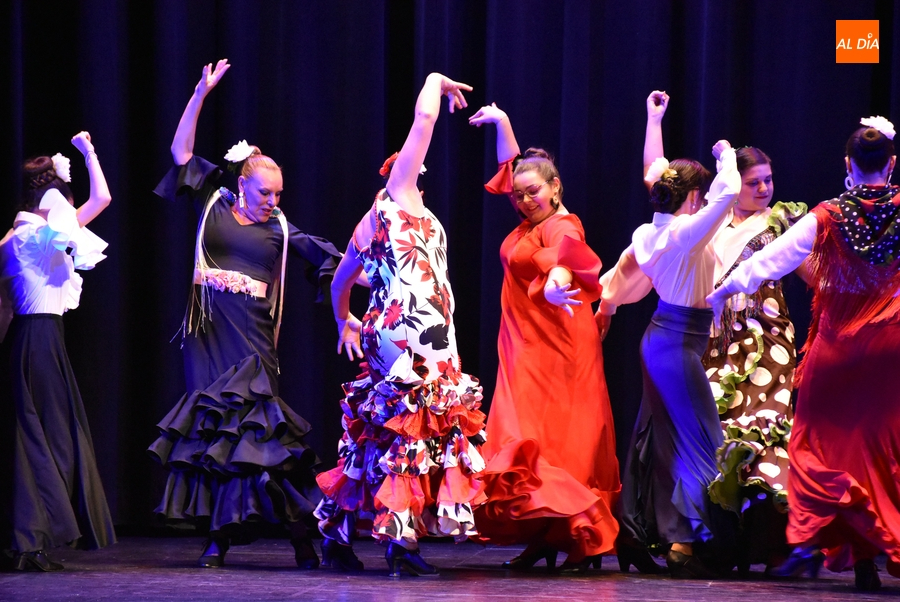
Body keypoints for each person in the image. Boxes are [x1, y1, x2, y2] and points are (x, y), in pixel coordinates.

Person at [147, 60, 341, 569]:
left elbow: (332, 260)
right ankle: (218, 535)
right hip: (207, 333)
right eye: (264, 194)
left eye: (279, 195)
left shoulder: (278, 228)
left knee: (256, 436)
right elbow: (180, 153)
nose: (272, 202)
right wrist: (200, 94)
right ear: (241, 185)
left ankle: (300, 532)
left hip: (252, 340)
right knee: (214, 434)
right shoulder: (212, 199)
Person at [708, 116, 900, 592]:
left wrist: (721, 292)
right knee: (887, 451)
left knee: (819, 445)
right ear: (891, 165)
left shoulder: (827, 215)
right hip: (890, 348)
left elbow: (767, 262)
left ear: (847, 166)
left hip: (837, 348)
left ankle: (853, 556)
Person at [314, 73, 486, 578]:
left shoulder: (375, 223)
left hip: (406, 328)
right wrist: (435, 80)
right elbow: (426, 118)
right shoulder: (399, 199)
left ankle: (335, 535)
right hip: (413, 333)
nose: (420, 173)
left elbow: (342, 281)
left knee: (379, 432)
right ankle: (401, 544)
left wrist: (345, 320)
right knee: (413, 427)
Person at [466, 103, 620, 574]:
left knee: (557, 440)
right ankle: (543, 536)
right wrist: (503, 122)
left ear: (556, 188)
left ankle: (581, 537)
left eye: (534, 191)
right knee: (529, 438)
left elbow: (564, 255)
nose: (524, 199)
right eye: (518, 195)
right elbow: (513, 169)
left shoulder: (560, 222)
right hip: (524, 349)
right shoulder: (527, 222)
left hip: (559, 350)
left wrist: (555, 279)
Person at [596, 91, 741, 578]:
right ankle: (686, 542)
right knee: (698, 440)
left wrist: (653, 119)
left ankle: (645, 533)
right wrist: (725, 157)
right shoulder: (685, 233)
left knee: (666, 439)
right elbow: (728, 193)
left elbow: (652, 168)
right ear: (693, 198)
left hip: (666, 340)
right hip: (676, 345)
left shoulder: (650, 231)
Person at [0, 132, 116, 571]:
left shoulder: (13, 239)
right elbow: (100, 198)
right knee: (49, 442)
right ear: (54, 201)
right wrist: (89, 151)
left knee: (31, 440)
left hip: (22, 344)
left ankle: (27, 538)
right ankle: (32, 539)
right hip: (43, 341)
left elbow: (4, 307)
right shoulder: (42, 237)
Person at [702, 143, 807, 574]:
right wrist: (655, 122)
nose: (764, 188)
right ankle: (729, 546)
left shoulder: (781, 221)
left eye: (768, 179)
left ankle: (773, 544)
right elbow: (657, 179)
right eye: (753, 182)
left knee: (764, 434)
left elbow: (815, 271)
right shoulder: (712, 221)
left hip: (769, 345)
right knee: (721, 438)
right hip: (720, 345)